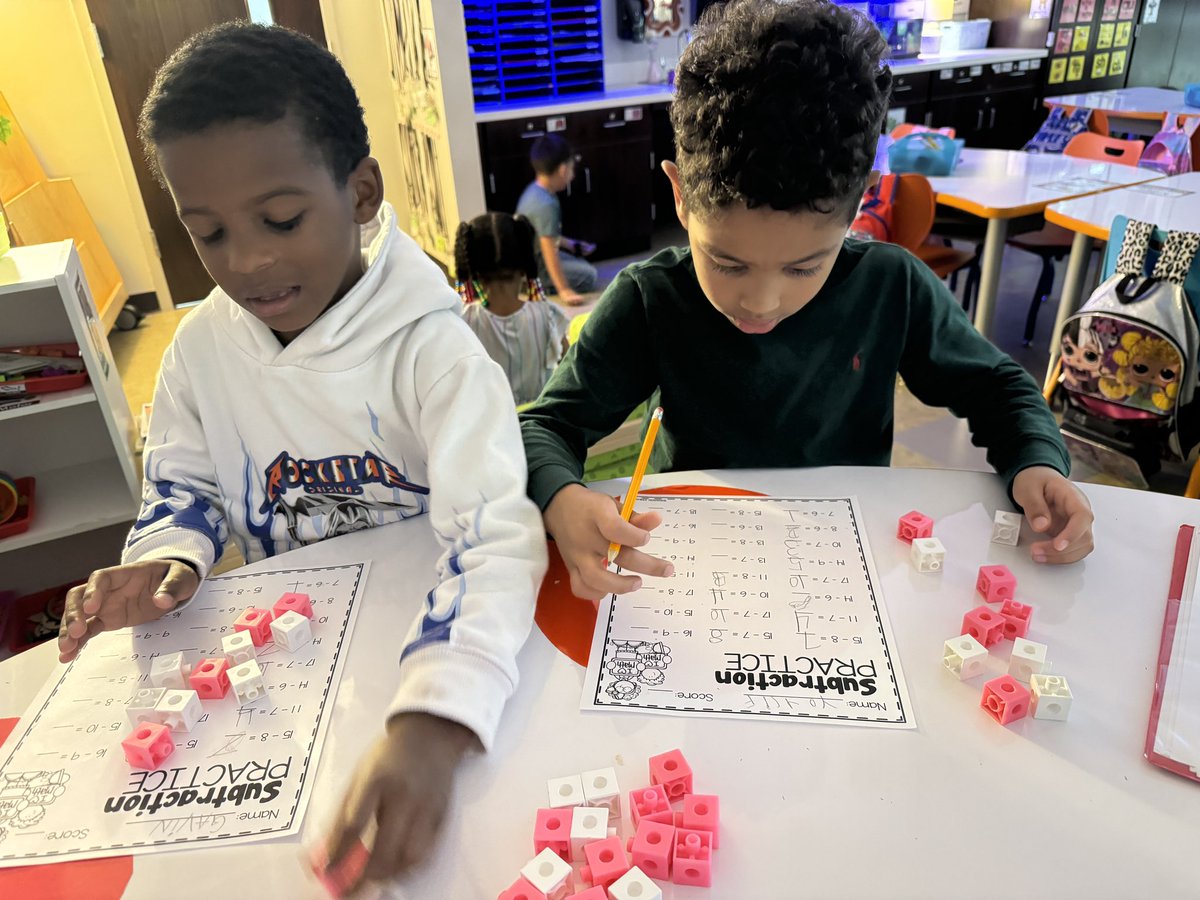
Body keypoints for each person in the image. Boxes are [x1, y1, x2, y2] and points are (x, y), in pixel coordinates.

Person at [54, 23, 546, 891]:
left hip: (451, 665)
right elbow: (186, 482)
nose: (248, 262)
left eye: (281, 219)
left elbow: (495, 537)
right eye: (208, 234)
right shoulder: (201, 351)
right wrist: (168, 555)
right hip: (296, 678)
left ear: (360, 193)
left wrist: (436, 722)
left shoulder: (434, 352)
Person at [519, 0, 1095, 602]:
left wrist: (1035, 460)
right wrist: (560, 496)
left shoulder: (888, 285)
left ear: (859, 205)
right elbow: (545, 427)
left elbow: (998, 386)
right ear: (680, 196)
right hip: (696, 559)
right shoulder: (649, 299)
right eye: (727, 261)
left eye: (804, 266)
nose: (763, 302)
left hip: (848, 559)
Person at [454, 212, 570, 406]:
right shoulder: (548, 314)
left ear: (473, 272)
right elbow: (571, 369)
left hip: (491, 427)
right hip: (541, 423)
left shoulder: (463, 322)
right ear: (525, 266)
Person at [515, 134, 598, 305]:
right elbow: (548, 248)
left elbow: (546, 233)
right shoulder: (547, 205)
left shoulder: (534, 191)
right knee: (589, 275)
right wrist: (564, 290)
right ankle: (542, 284)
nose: (572, 175)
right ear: (562, 169)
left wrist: (573, 245)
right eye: (572, 169)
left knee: (578, 263)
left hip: (526, 259)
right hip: (535, 265)